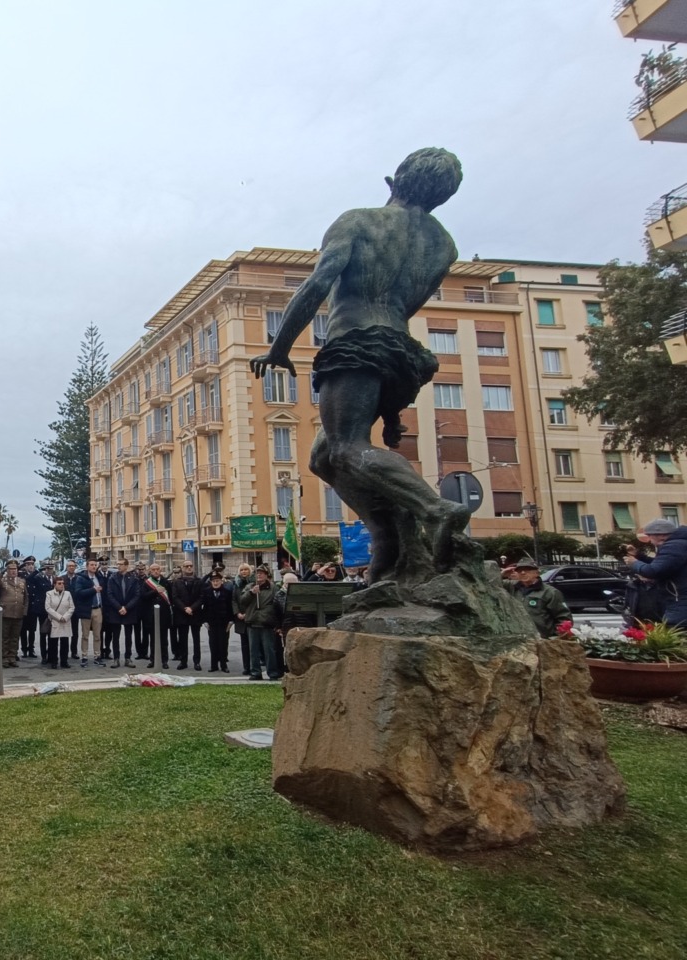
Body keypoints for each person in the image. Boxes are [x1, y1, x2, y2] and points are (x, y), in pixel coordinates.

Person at [252, 148, 470, 583]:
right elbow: (408, 306)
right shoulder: (443, 246)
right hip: (400, 351)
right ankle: (388, 536)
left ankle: (434, 508)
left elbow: (318, 282)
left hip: (356, 342)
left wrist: (280, 347)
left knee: (346, 448)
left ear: (395, 179)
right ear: (442, 196)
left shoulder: (359, 220)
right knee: (323, 457)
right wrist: (390, 409)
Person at [624, 518, 687, 627]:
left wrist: (634, 564)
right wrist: (639, 556)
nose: (650, 541)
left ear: (661, 535)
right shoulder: (680, 544)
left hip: (680, 602)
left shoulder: (674, 546)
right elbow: (664, 564)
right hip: (679, 601)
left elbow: (654, 571)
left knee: (677, 630)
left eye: (650, 536)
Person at [236, 565, 284, 681]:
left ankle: (272, 672)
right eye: (257, 573)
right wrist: (251, 593)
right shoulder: (250, 586)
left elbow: (277, 604)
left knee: (269, 650)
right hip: (252, 622)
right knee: (253, 650)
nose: (259, 575)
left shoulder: (273, 588)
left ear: (266, 575)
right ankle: (255, 672)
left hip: (266, 623)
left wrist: (275, 621)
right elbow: (242, 601)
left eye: (261, 573)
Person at [507, 559, 570, 638]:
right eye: (519, 570)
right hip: (519, 639)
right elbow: (492, 585)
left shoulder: (550, 592)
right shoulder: (512, 587)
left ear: (537, 573)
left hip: (543, 639)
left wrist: (556, 637)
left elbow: (564, 618)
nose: (523, 572)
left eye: (528, 570)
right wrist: (502, 574)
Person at [105, 557, 142, 668]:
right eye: (117, 564)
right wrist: (119, 607)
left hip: (129, 610)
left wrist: (126, 608)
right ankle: (116, 658)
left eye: (121, 564)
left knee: (128, 636)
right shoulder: (112, 578)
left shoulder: (133, 578)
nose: (118, 566)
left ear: (126, 566)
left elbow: (137, 595)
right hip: (116, 610)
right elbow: (110, 594)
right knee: (115, 636)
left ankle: (128, 658)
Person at [170, 560, 204, 670]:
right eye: (186, 566)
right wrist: (184, 608)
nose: (189, 568)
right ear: (183, 568)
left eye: (190, 566)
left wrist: (192, 608)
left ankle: (197, 662)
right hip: (182, 614)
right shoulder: (177, 582)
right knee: (182, 640)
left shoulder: (199, 581)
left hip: (195, 613)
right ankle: (183, 661)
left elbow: (201, 597)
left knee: (196, 640)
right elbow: (175, 597)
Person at [71, 559, 104, 666]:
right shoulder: (81, 578)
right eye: (92, 565)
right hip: (86, 609)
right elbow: (78, 593)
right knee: (85, 635)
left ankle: (97, 656)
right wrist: (93, 590)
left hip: (97, 609)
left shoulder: (99, 577)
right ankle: (84, 656)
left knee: (97, 635)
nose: (94, 567)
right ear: (87, 566)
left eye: (95, 565)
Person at [140, 561, 173, 667]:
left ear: (160, 570)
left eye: (157, 569)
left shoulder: (166, 582)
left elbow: (171, 598)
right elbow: (143, 596)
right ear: (150, 571)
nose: (155, 571)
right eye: (153, 570)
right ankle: (153, 660)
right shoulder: (146, 583)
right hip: (151, 615)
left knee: (164, 639)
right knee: (153, 639)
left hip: (164, 615)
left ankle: (164, 661)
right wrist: (155, 591)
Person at [0, 559, 27, 668]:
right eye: (11, 569)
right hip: (6, 613)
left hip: (18, 613)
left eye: (15, 569)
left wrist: (24, 610)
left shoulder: (22, 581)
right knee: (5, 637)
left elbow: (26, 597)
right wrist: (0, 574)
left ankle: (12, 657)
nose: (13, 571)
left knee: (15, 637)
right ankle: (4, 658)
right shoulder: (2, 581)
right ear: (7, 570)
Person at [201, 571, 234, 672]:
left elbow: (230, 607)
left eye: (217, 581)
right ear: (211, 582)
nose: (215, 583)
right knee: (213, 644)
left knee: (223, 644)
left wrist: (231, 621)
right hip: (212, 623)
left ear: (221, 581)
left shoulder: (227, 592)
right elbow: (205, 607)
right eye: (213, 581)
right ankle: (213, 665)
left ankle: (224, 665)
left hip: (224, 623)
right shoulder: (207, 592)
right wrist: (205, 621)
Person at [21, 556, 51, 660]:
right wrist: (35, 572)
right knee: (23, 629)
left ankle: (31, 648)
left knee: (32, 629)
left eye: (32, 564)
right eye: (28, 564)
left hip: (34, 606)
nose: (31, 566)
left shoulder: (38, 576)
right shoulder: (22, 575)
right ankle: (24, 649)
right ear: (25, 565)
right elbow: (27, 580)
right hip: (25, 605)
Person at [44, 575, 75, 669]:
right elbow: (48, 608)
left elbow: (72, 607)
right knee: (53, 643)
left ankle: (64, 661)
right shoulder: (49, 594)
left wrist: (65, 617)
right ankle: (54, 661)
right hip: (55, 621)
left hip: (65, 621)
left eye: (63, 583)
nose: (61, 585)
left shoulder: (68, 594)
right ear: (54, 584)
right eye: (59, 583)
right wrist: (59, 617)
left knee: (65, 642)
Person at [64, 558, 81, 660]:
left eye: (73, 566)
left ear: (75, 567)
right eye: (69, 566)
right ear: (66, 567)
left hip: (75, 608)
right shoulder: (62, 579)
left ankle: (74, 651)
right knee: (65, 632)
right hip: (65, 609)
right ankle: (65, 652)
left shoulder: (79, 579)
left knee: (75, 631)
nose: (71, 567)